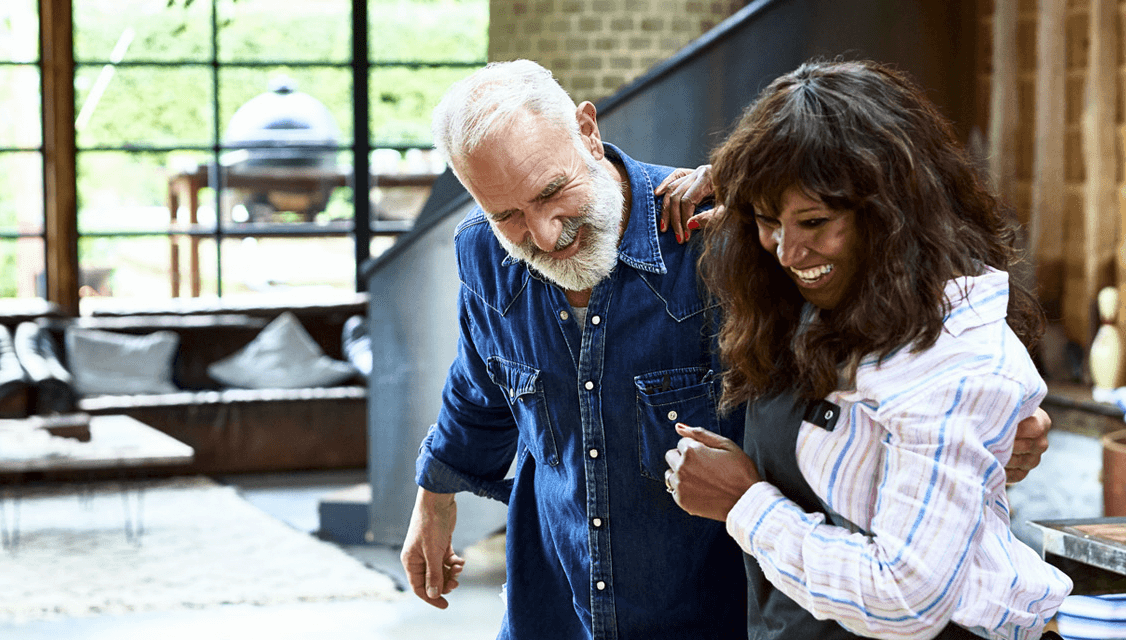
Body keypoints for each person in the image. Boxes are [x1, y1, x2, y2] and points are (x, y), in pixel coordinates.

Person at [400, 59, 1055, 639]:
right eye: (507, 215)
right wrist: (436, 495)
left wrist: (983, 426)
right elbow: (482, 384)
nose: (542, 234)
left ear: (588, 131)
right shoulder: (484, 255)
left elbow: (882, 320)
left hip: (717, 616)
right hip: (555, 614)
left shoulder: (721, 242)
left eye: (550, 192)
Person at [664, 59, 1071, 640]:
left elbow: (906, 596)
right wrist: (747, 184)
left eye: (814, 221)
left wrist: (743, 503)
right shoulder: (815, 295)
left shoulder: (956, 357)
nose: (787, 251)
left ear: (889, 214)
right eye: (768, 220)